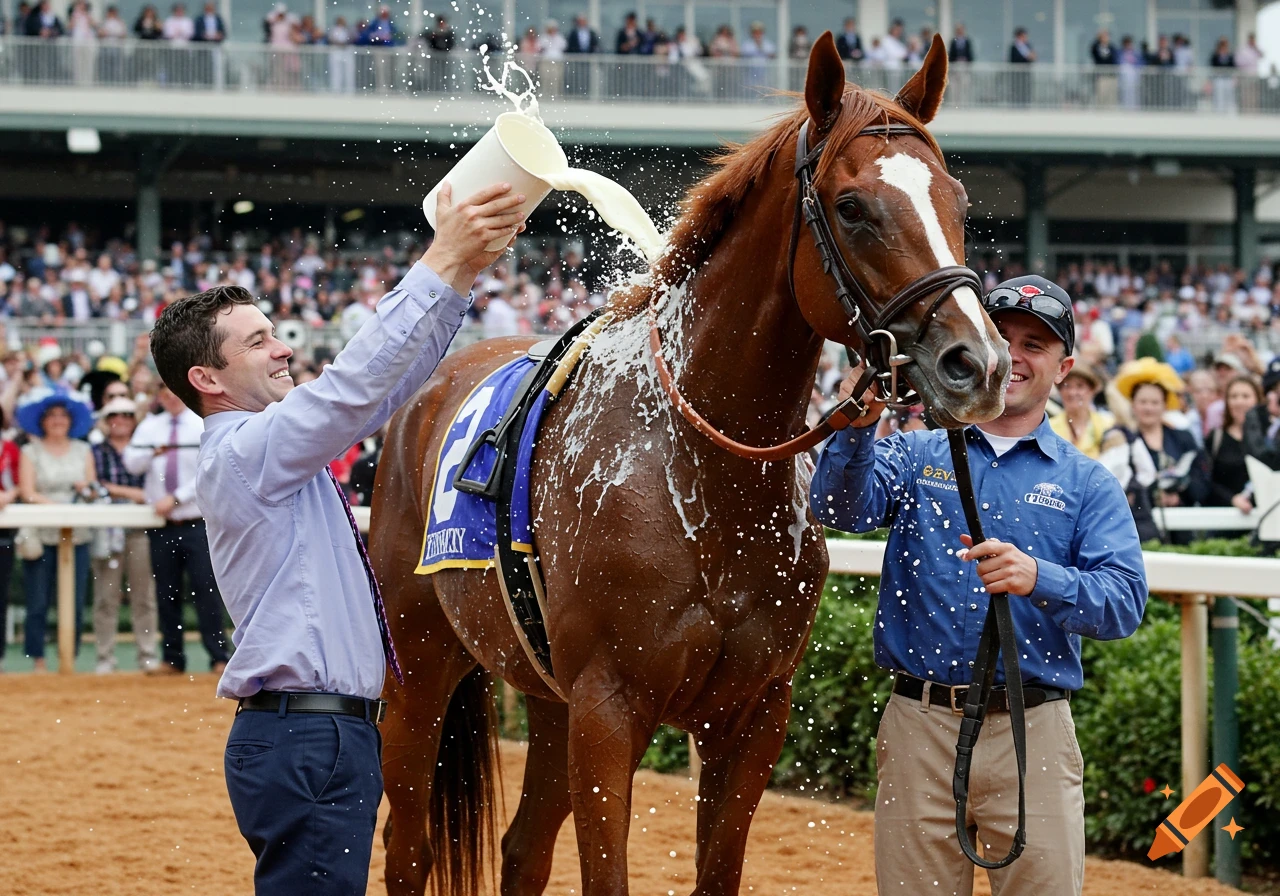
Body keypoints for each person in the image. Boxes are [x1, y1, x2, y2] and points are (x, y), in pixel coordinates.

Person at [146, 181, 524, 893]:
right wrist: (439, 259)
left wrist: (462, 273)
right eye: (258, 340)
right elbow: (353, 387)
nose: (283, 346)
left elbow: (383, 390)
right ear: (207, 378)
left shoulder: (260, 449)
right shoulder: (246, 449)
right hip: (306, 737)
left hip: (318, 734)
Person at [811, 274, 1146, 896]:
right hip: (919, 725)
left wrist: (1038, 578)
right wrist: (856, 421)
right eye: (1004, 336)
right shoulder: (914, 453)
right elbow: (837, 508)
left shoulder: (1088, 484)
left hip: (1034, 733)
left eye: (1036, 344)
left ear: (1064, 366)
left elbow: (1123, 604)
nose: (1015, 355)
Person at [123, 383, 230, 675]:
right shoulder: (149, 426)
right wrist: (152, 454)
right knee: (165, 594)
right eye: (165, 392)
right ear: (158, 396)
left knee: (206, 591)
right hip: (162, 526)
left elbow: (209, 471)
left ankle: (219, 656)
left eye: (175, 391)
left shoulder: (200, 424)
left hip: (197, 521)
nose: (171, 397)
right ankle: (173, 658)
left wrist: (177, 497)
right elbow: (131, 463)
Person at [16, 388, 97, 673]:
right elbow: (27, 492)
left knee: (74, 603)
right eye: (51, 416)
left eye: (63, 415)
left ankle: (69, 658)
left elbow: (92, 489)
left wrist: (84, 491)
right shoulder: (29, 451)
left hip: (77, 535)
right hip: (41, 534)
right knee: (37, 601)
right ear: (42, 421)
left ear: (71, 420)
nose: (57, 420)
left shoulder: (84, 450)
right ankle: (37, 660)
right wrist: (58, 506)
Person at [91, 396, 158, 674]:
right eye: (115, 415)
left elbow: (151, 492)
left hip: (140, 529)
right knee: (106, 597)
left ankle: (147, 655)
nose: (121, 419)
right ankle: (104, 657)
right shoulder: (95, 450)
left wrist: (116, 490)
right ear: (106, 421)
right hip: (107, 530)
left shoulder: (144, 448)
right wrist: (132, 494)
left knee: (144, 597)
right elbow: (95, 488)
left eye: (128, 415)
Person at [1111, 358, 1209, 544]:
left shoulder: (1183, 437)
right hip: (1140, 529)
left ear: (1165, 405)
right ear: (1133, 404)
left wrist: (1179, 495)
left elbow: (1201, 478)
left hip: (1183, 527)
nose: (1149, 408)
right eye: (1143, 402)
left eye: (1155, 402)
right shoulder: (1124, 441)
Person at [1205, 375, 1260, 513]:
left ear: (1257, 399)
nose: (1239, 402)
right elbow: (1206, 480)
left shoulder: (1269, 437)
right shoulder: (1216, 438)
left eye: (1245, 396)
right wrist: (1232, 499)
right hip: (1223, 517)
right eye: (1234, 396)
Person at [1049, 363, 1112, 458]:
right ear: (1060, 391)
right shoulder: (1049, 427)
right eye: (1067, 386)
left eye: (1080, 386)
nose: (1073, 392)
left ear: (1092, 390)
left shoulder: (1107, 424)